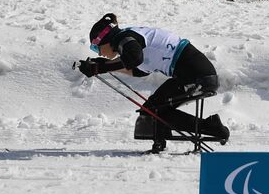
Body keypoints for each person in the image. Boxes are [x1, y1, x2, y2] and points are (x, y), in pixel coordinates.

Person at [76, 13, 229, 153]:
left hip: (197, 75)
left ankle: (210, 128)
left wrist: (102, 67)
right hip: (191, 74)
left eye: (96, 48)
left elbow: (134, 59)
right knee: (150, 111)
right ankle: (208, 129)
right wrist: (102, 66)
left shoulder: (125, 38)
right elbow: (139, 70)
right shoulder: (128, 42)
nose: (100, 53)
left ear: (104, 39)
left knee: (153, 111)